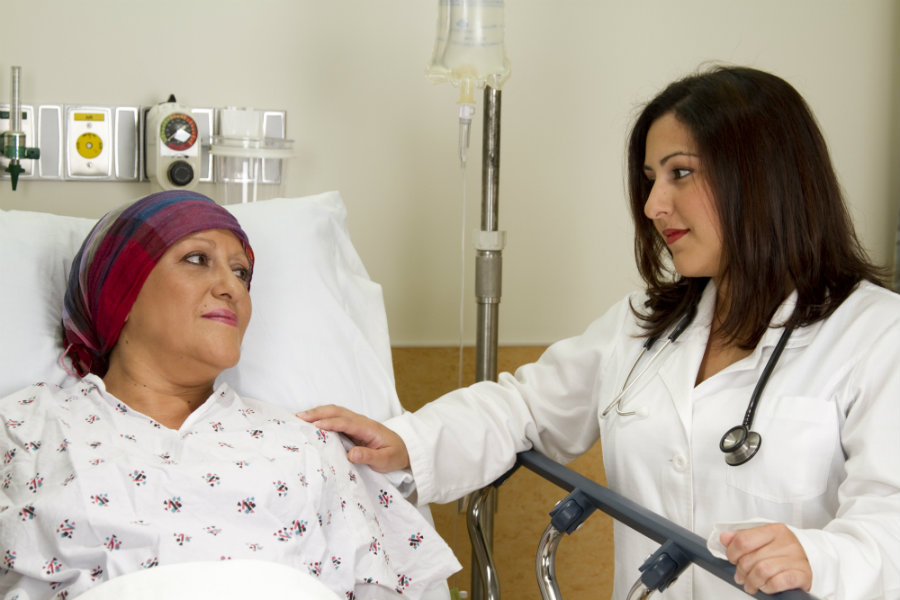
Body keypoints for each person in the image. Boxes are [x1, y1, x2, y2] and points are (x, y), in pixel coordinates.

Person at [302, 66, 900, 600]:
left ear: (764, 178)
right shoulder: (645, 326)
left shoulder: (876, 335)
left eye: (680, 173)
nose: (652, 205)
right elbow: (524, 407)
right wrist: (410, 440)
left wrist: (818, 557)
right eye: (650, 178)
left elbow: (890, 524)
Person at [0, 191, 459, 600]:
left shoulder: (306, 444)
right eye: (198, 259)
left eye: (241, 272)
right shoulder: (23, 429)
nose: (232, 288)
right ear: (122, 292)